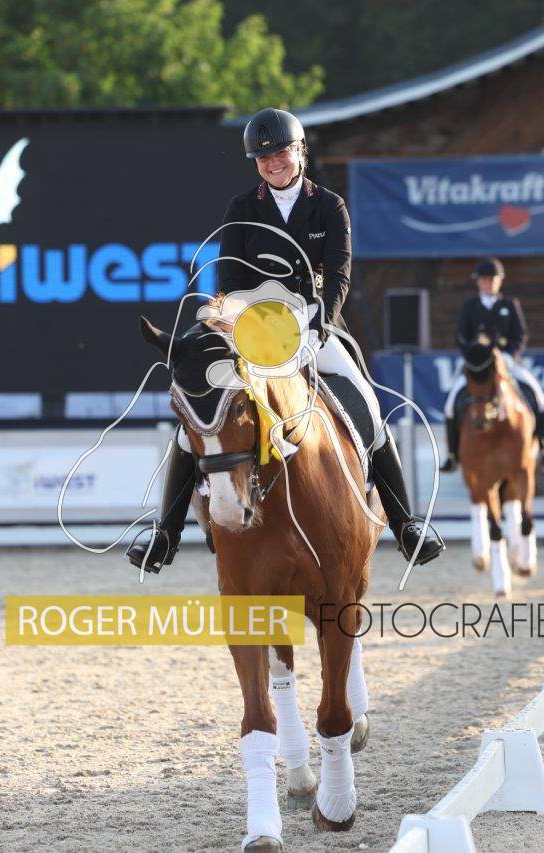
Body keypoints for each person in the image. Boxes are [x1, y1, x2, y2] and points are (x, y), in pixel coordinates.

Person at [126, 107, 445, 572]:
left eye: (280, 153)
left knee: (369, 408)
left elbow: (339, 276)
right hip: (256, 331)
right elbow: (230, 280)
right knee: (196, 419)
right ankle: (165, 534)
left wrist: (319, 326)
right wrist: (244, 326)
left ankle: (405, 525)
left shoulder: (329, 206)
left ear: (299, 151)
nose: (273, 163)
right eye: (263, 157)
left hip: (315, 327)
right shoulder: (242, 209)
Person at [439, 257, 544, 473]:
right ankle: (452, 455)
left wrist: (508, 356)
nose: (488, 283)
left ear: (499, 281)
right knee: (450, 404)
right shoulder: (469, 306)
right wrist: (475, 353)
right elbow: (461, 336)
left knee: (539, 398)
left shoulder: (509, 305)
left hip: (505, 363)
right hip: (477, 366)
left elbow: (520, 335)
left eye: (492, 279)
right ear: (478, 282)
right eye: (485, 280)